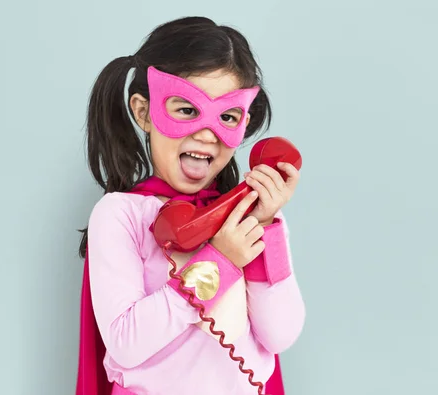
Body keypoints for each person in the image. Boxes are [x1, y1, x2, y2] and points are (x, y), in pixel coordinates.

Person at [75, 16, 306, 395]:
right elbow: (126, 343)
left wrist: (264, 227)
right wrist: (221, 261)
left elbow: (280, 335)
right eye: (186, 110)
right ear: (144, 112)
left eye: (227, 117)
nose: (206, 133)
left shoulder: (249, 217)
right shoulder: (121, 215)